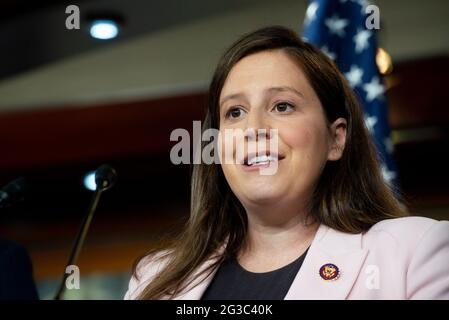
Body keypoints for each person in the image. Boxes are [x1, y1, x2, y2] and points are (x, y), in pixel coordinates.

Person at [124, 26, 449, 300]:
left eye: (282, 106)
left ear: (336, 139)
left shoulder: (414, 251)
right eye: (234, 112)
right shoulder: (154, 280)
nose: (253, 129)